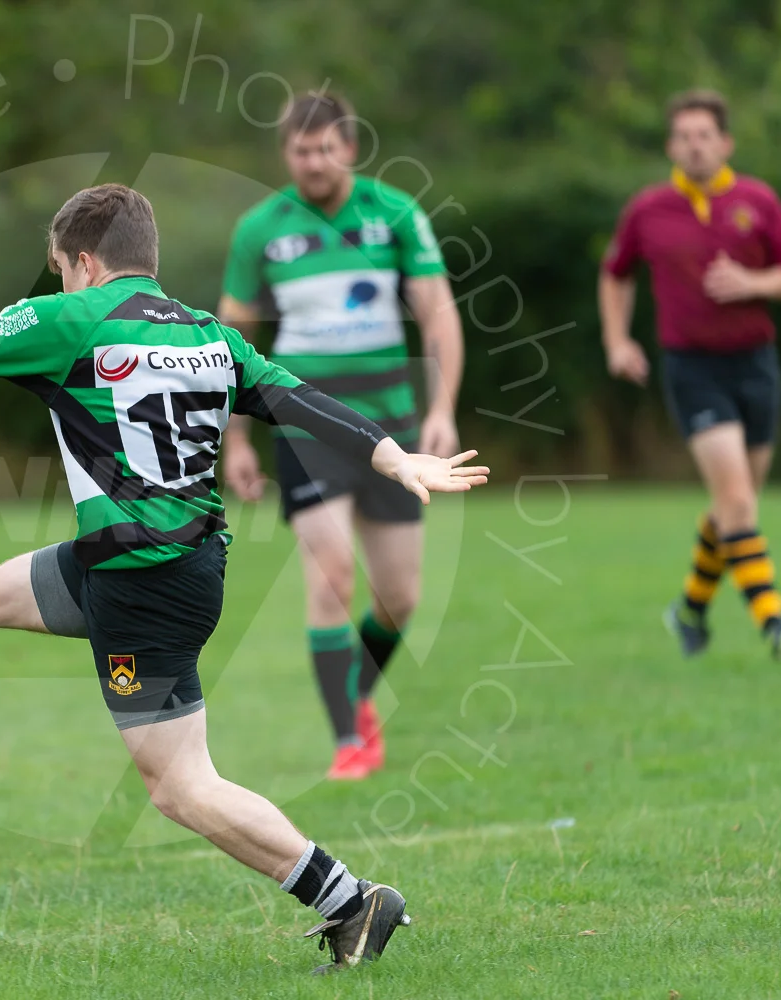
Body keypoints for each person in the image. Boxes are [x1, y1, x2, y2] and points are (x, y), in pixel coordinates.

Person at [0, 184, 489, 972]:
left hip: (141, 584)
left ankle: (350, 902)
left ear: (82, 260)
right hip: (146, 561)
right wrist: (395, 456)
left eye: (60, 268)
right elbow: (304, 403)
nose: (60, 281)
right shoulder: (210, 335)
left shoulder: (70, 319)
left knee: (180, 786)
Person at [217, 91, 465, 780]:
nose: (314, 162)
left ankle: (355, 694)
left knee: (400, 597)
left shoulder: (394, 214)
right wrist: (236, 441)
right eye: (301, 151)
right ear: (285, 154)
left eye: (326, 148)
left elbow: (438, 313)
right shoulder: (260, 229)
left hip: (393, 425)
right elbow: (230, 342)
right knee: (331, 572)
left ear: (349, 148)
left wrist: (443, 407)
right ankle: (347, 740)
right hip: (305, 424)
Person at [599, 89, 781, 663]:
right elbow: (615, 274)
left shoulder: (758, 201)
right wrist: (617, 340)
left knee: (736, 506)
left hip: (755, 364)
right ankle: (774, 621)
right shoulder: (648, 209)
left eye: (704, 135)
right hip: (692, 368)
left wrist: (751, 282)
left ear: (726, 143)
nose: (694, 146)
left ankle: (690, 609)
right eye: (684, 136)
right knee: (737, 500)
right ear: (671, 146)